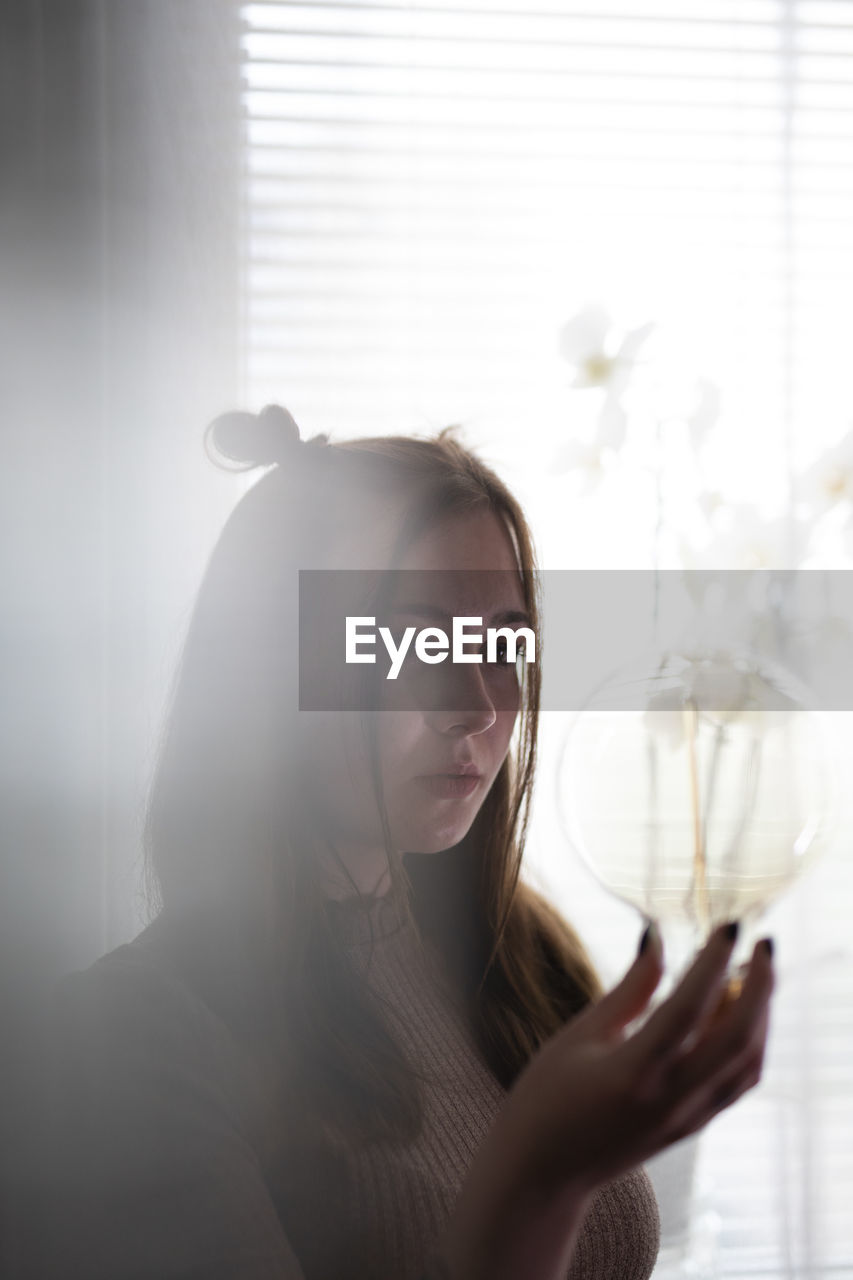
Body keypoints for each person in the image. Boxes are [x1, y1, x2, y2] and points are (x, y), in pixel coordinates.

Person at [35, 405, 774, 1280]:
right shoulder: (130, 1040)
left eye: (501, 641)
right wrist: (539, 1184)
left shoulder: (522, 957)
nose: (478, 704)